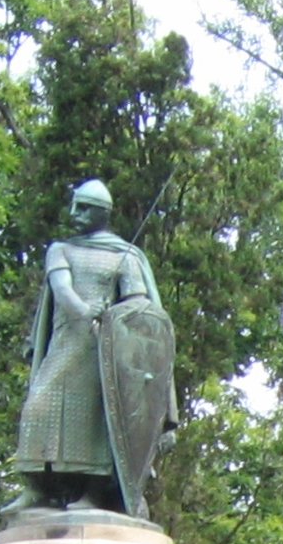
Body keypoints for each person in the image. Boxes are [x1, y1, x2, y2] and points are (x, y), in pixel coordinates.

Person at [11, 177, 176, 517]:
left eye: (84, 207)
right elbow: (63, 289)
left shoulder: (126, 257)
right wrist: (86, 311)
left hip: (104, 355)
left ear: (102, 212)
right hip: (66, 344)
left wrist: (114, 315)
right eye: (74, 205)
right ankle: (36, 487)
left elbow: (139, 307)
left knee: (98, 424)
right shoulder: (61, 249)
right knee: (38, 408)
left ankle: (94, 492)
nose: (75, 212)